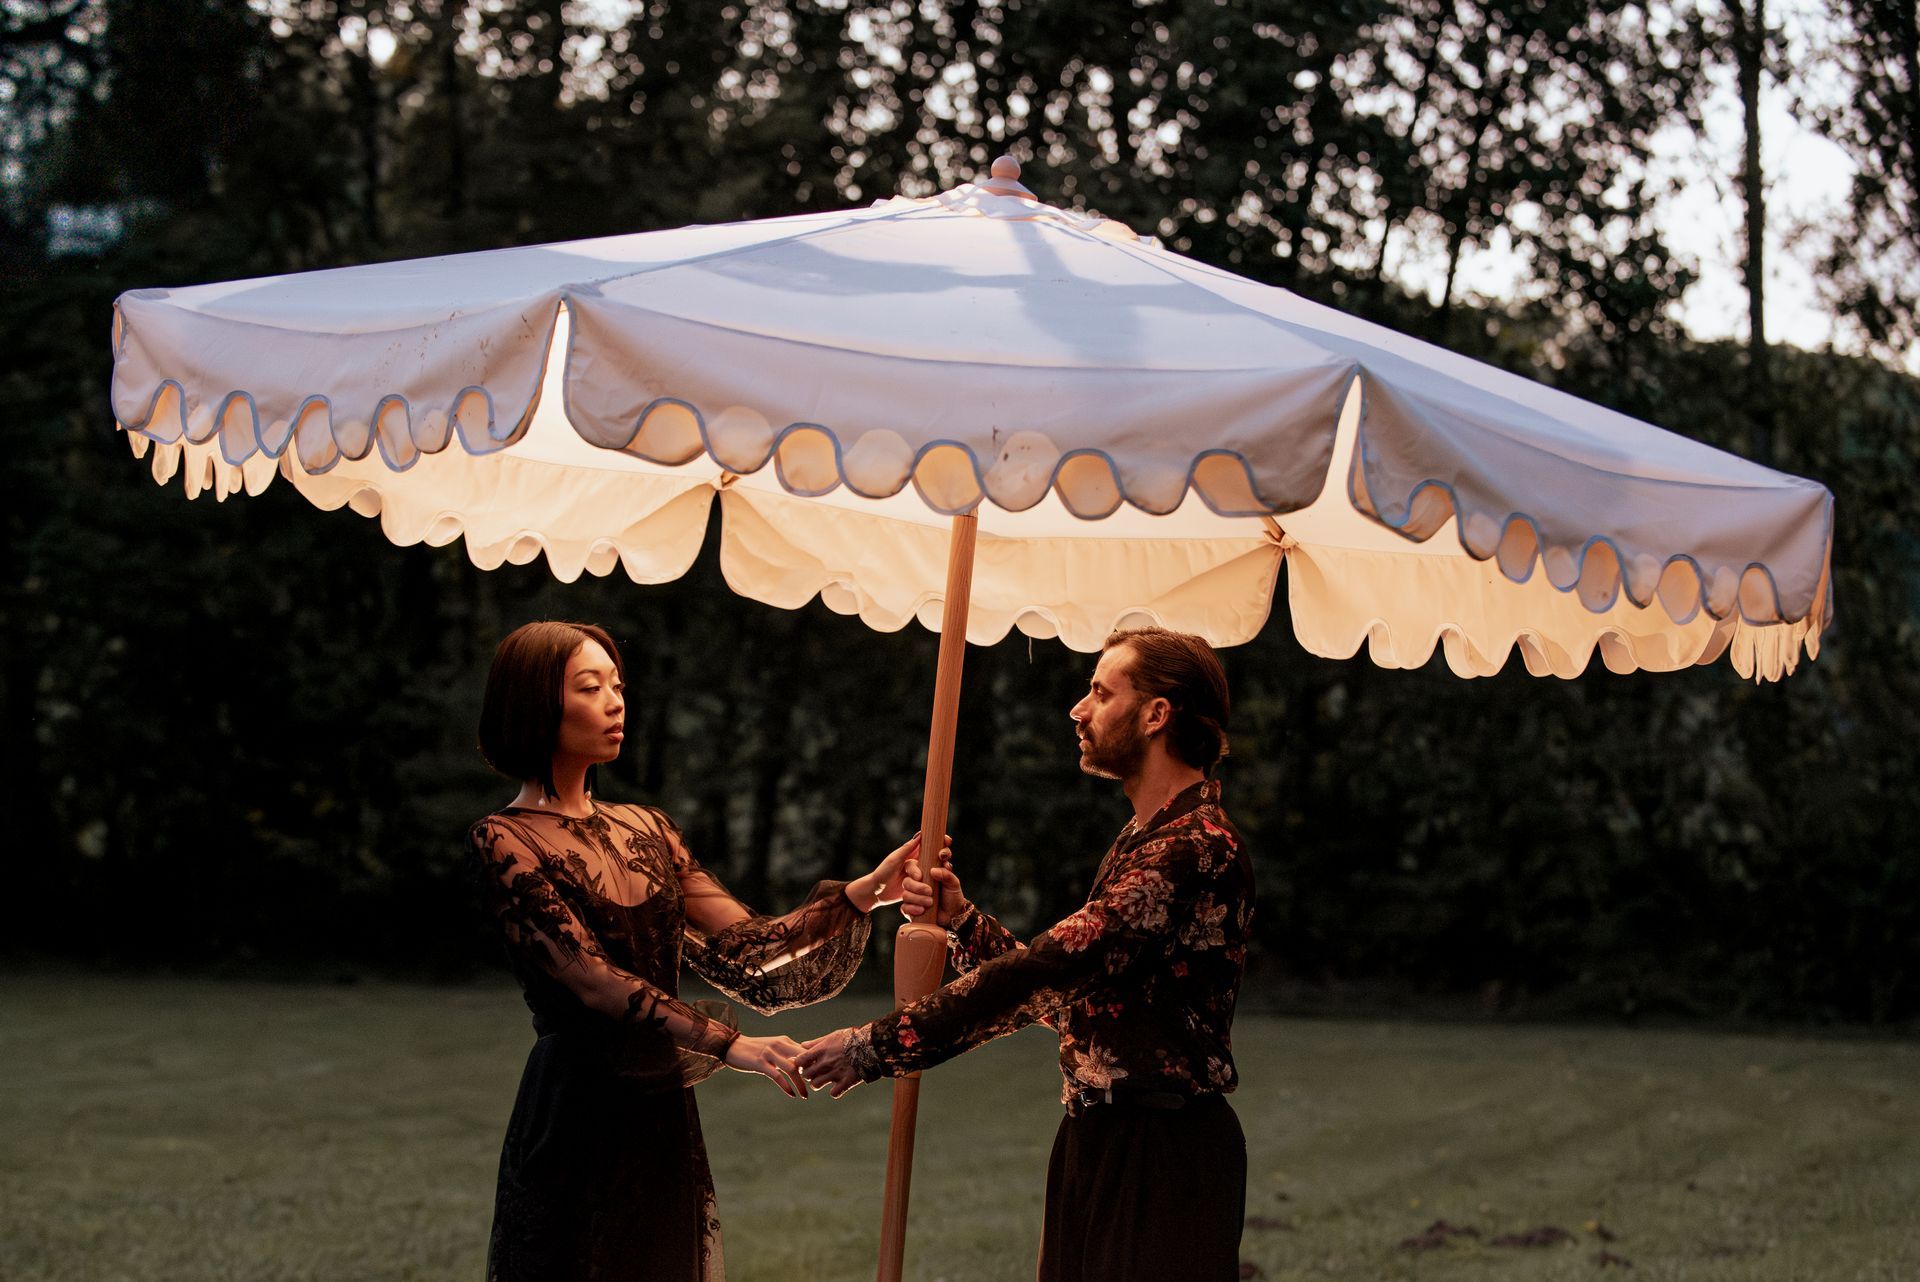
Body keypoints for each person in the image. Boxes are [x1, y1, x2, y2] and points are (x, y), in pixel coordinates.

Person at [468, 620, 935, 1282]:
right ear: (535, 700)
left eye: (618, 685)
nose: (614, 700)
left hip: (659, 1107)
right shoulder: (505, 839)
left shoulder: (650, 829)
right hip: (574, 1109)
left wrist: (861, 896)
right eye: (589, 686)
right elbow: (593, 981)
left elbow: (751, 946)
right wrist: (727, 1042)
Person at [798, 625, 1254, 1282]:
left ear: (1157, 714)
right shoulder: (1141, 839)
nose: (1078, 708)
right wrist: (960, 922)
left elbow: (1051, 968)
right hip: (1098, 1138)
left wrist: (878, 1045)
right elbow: (1075, 1002)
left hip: (1162, 1154)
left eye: (1100, 691)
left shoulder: (1194, 849)